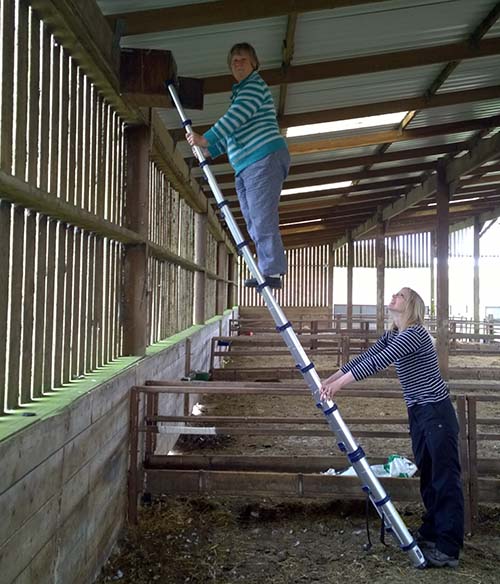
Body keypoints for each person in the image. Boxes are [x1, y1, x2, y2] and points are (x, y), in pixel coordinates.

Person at [320, 287, 464, 568]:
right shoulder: (393, 334)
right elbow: (367, 356)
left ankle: (448, 547)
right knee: (429, 474)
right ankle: (432, 532)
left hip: (436, 412)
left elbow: (378, 362)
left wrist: (338, 386)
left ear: (410, 305)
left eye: (400, 295)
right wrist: (331, 377)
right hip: (420, 412)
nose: (393, 297)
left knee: (445, 478)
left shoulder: (414, 334)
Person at [186, 42, 290, 290]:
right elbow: (232, 135)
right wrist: (209, 150)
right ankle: (268, 268)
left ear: (254, 63)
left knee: (262, 218)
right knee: (254, 219)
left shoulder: (253, 88)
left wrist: (206, 138)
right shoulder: (241, 94)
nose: (238, 63)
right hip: (246, 165)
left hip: (263, 159)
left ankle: (272, 271)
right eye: (234, 61)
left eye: (243, 59)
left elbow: (234, 118)